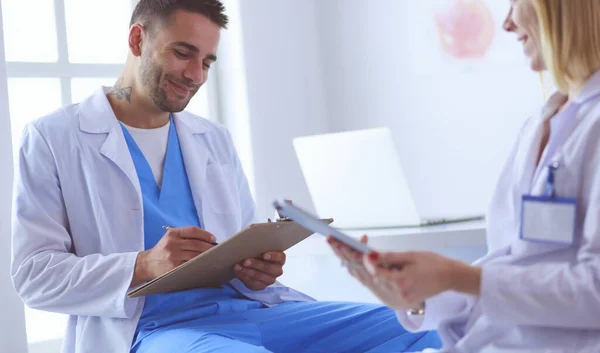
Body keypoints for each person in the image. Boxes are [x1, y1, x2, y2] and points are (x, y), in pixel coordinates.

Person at [10, 1, 442, 352]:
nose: (195, 75)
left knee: (428, 323)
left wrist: (255, 270)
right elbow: (34, 277)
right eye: (183, 52)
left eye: (208, 61)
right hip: (150, 332)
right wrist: (142, 265)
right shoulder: (54, 138)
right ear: (137, 39)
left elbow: (233, 246)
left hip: (249, 312)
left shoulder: (212, 139)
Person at [329, 0, 600, 352]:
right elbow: (506, 269)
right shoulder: (541, 123)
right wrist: (415, 295)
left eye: (516, 3)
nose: (506, 24)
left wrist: (457, 275)